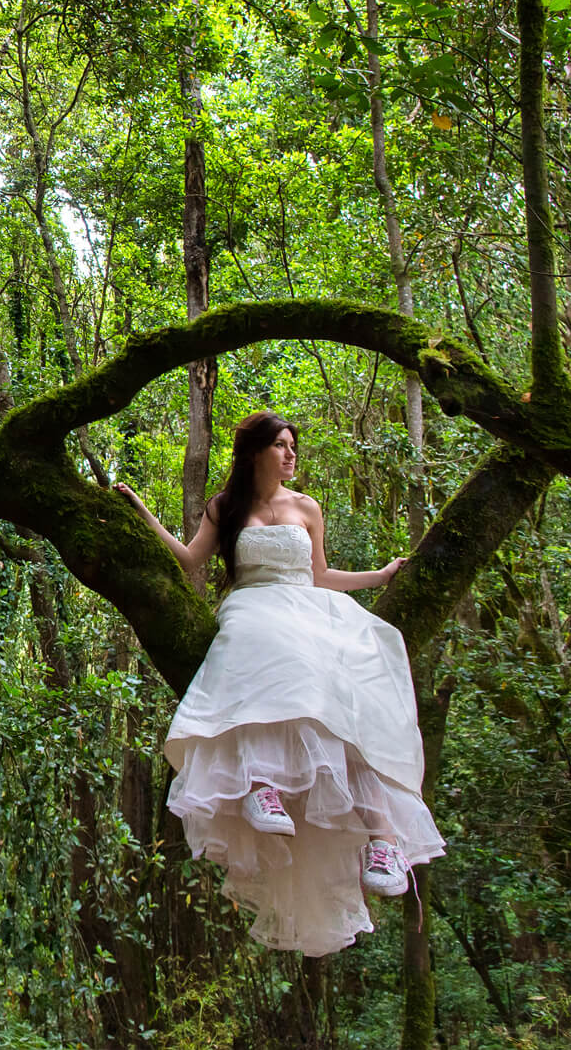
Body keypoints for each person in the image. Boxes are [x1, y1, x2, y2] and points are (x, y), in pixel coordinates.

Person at [113, 410, 445, 957]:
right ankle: (259, 786)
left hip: (307, 607)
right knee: (257, 660)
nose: (291, 455)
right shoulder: (226, 507)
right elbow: (190, 558)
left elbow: (319, 575)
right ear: (255, 452)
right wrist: (142, 512)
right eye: (282, 446)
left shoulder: (307, 507)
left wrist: (381, 576)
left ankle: (382, 842)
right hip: (253, 605)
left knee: (336, 703)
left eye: (293, 446)